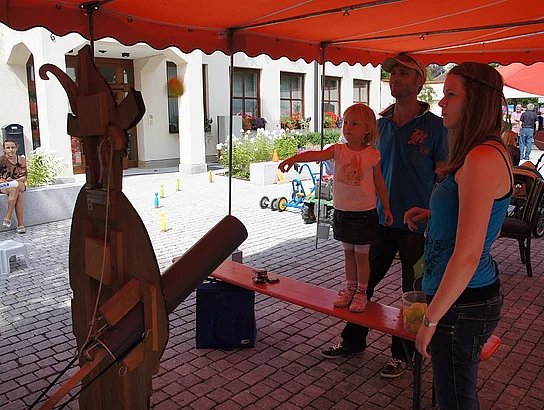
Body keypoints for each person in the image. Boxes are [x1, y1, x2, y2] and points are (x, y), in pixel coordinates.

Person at [320, 53, 448, 380]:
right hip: (375, 221)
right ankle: (352, 341)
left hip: (417, 227)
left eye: (405, 73)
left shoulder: (435, 127)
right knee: (362, 286)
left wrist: (438, 216)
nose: (396, 78)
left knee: (414, 292)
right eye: (394, 73)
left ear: (420, 81)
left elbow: (445, 176)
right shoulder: (378, 125)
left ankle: (402, 355)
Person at [404, 62, 511, 410]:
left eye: (451, 94)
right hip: (463, 299)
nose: (441, 102)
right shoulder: (483, 151)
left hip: (463, 305)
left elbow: (468, 255)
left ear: (475, 101)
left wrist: (431, 319)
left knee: (456, 401)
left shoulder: (481, 157)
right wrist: (435, 216)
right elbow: (485, 219)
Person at [278, 104, 393, 313]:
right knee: (348, 254)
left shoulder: (372, 155)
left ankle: (362, 292)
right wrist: (294, 158)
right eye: (346, 122)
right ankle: (350, 288)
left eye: (355, 124)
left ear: (367, 129)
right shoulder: (338, 150)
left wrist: (386, 208)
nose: (347, 127)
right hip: (342, 213)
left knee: (362, 256)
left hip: (364, 214)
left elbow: (379, 182)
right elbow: (316, 155)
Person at [0, 139, 27, 233]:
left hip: (19, 183)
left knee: (15, 185)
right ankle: (20, 225)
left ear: (16, 148)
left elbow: (24, 177)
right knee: (18, 194)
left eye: (12, 147)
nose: (10, 150)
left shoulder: (21, 160)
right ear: (4, 149)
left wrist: (15, 181)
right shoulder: (1, 160)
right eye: (8, 148)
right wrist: (5, 181)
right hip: (5, 185)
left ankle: (8, 216)